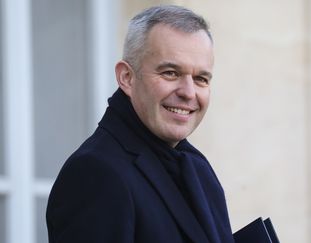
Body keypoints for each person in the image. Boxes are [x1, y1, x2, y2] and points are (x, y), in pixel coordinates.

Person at [46, 5, 235, 243]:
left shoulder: (196, 167)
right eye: (170, 73)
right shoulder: (95, 173)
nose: (189, 93)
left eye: (200, 79)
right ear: (127, 77)